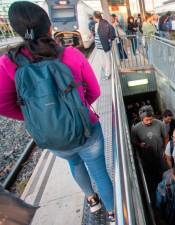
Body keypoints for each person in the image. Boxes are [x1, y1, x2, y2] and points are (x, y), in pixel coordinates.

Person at [0, 1, 115, 222]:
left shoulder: (8, 63)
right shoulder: (71, 54)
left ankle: (92, 201)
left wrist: (35, 117)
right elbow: (95, 91)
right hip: (86, 129)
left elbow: (3, 104)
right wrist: (78, 109)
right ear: (49, 27)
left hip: (52, 136)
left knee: (74, 163)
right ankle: (112, 213)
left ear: (18, 31)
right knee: (99, 172)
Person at [131, 105, 168, 191]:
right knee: (151, 172)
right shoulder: (136, 129)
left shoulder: (160, 124)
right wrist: (140, 144)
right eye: (147, 120)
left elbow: (166, 137)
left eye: (151, 119)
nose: (149, 121)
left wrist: (166, 150)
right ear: (141, 119)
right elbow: (133, 141)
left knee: (163, 169)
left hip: (160, 153)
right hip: (147, 156)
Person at [93, 11, 116, 79]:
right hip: (99, 46)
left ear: (95, 17)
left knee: (106, 60)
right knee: (103, 61)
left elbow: (111, 32)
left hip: (104, 46)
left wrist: (109, 39)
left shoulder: (104, 23)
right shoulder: (97, 24)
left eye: (93, 16)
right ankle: (107, 72)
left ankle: (107, 74)